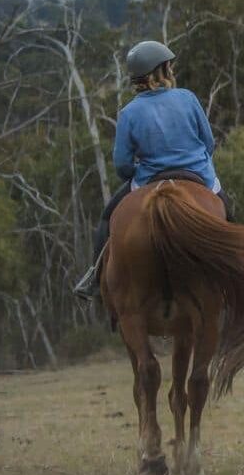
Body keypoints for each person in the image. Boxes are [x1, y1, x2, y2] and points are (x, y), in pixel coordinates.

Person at [73, 40, 229, 301]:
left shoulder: (129, 113)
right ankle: (241, 268)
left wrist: (137, 170)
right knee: (229, 210)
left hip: (149, 180)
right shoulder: (187, 98)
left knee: (106, 218)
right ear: (162, 70)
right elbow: (209, 143)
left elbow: (122, 165)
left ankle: (94, 278)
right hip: (199, 175)